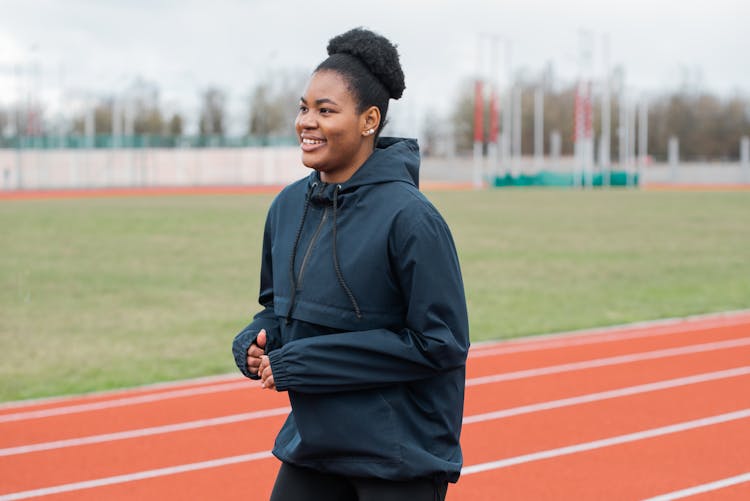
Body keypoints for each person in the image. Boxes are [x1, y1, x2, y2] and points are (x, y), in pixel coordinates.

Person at [232, 27, 469, 501]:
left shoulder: (412, 219)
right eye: (303, 107)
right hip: (316, 444)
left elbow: (439, 344)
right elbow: (278, 310)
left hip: (399, 456)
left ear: (369, 120)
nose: (306, 122)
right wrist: (257, 342)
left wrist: (304, 364)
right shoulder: (286, 207)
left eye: (325, 110)